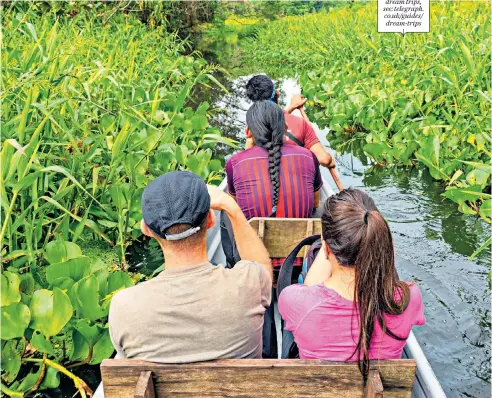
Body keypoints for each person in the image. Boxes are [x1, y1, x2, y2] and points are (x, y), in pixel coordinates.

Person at [109, 171, 272, 363]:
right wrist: (231, 207)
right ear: (211, 220)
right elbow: (262, 266)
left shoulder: (123, 306)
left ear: (146, 229)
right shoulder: (250, 282)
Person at [278, 188, 425, 383]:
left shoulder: (295, 301)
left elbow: (309, 290)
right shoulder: (409, 297)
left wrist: (324, 249)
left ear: (328, 249)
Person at [222, 100, 323, 266]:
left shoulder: (235, 163)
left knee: (226, 211)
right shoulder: (308, 156)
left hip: (254, 262)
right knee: (320, 209)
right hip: (299, 258)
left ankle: (232, 264)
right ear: (285, 128)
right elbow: (316, 202)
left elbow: (235, 208)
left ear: (248, 132)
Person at [245, 74, 335, 168]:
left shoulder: (253, 126)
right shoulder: (300, 124)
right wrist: (330, 160)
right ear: (277, 94)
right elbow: (324, 160)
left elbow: (246, 160)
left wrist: (292, 106)